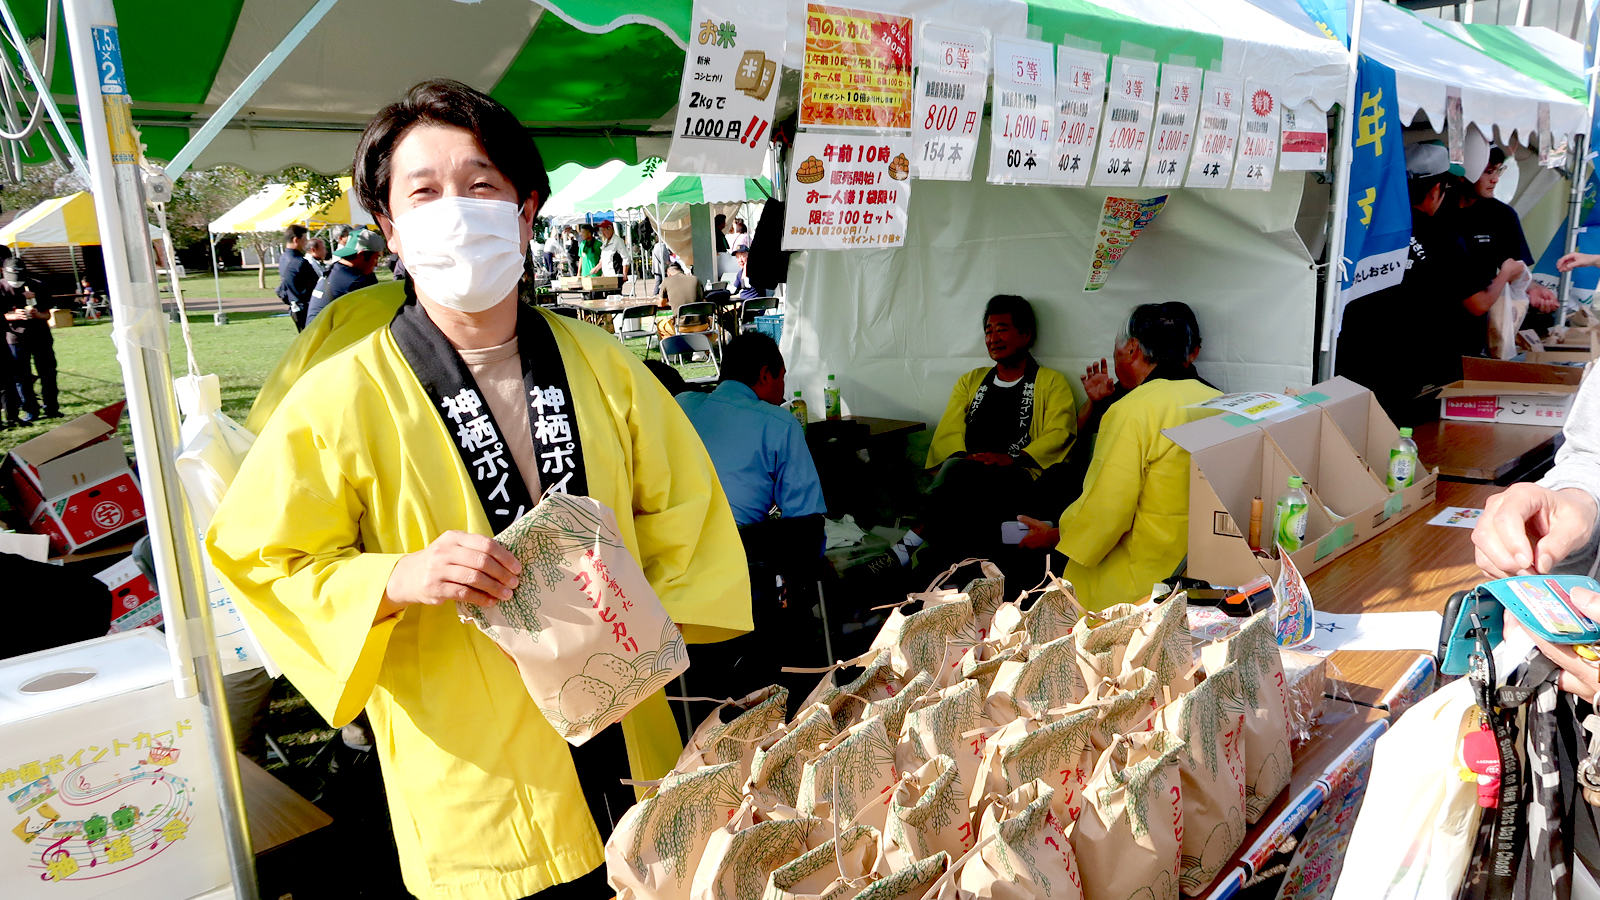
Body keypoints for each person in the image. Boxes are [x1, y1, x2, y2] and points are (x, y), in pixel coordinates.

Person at [207, 79, 750, 900]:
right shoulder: (340, 395)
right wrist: (392, 577)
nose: (455, 209)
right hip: (475, 772)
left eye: (481, 184)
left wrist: (645, 619)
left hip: (628, 739)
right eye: (423, 192)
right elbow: (262, 558)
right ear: (389, 226)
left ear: (526, 210)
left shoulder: (606, 367)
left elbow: (687, 516)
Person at [1018, 304, 1222, 611]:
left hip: (1138, 587)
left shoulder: (1134, 410)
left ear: (1132, 348)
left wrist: (1056, 535)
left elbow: (1106, 509)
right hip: (1201, 573)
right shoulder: (1219, 401)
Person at [1337, 142, 1526, 425]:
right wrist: (1505, 273)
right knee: (1387, 432)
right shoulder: (1443, 238)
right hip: (1404, 361)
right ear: (1436, 190)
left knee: (1345, 425)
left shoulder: (1362, 222)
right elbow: (1477, 304)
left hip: (1351, 351)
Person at [923, 295, 1076, 568]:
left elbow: (1060, 431)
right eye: (988, 331)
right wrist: (964, 459)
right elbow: (949, 429)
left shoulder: (1051, 382)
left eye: (1002, 329)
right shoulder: (971, 381)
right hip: (967, 473)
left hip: (1018, 478)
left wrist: (1013, 459)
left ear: (1026, 334)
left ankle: (913, 541)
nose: (993, 338)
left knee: (956, 481)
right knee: (957, 472)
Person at [678, 332, 826, 527]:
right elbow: (807, 520)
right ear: (765, 376)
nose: (783, 389)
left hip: (663, 545)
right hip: (737, 549)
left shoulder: (680, 404)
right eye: (782, 377)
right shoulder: (780, 423)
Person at [1454, 146, 1558, 323]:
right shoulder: (1436, 209)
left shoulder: (1502, 215)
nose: (1495, 180)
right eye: (1488, 172)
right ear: (1462, 174)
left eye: (1498, 171)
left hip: (1477, 322)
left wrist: (1531, 287)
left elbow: (1514, 268)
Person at [0, 258, 58, 420]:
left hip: (40, 336)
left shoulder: (37, 285)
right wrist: (10, 316)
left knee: (48, 372)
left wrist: (39, 313)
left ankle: (52, 407)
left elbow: (47, 313)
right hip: (15, 338)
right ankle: (30, 410)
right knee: (21, 376)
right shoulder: (1, 288)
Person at [305, 229, 385, 324]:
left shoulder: (337, 269)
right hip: (327, 336)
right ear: (361, 255)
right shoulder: (355, 282)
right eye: (376, 258)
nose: (376, 265)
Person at [275, 223, 319, 332]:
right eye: (304, 239)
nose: (306, 243)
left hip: (294, 306)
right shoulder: (299, 262)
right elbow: (316, 285)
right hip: (306, 307)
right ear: (296, 240)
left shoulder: (284, 258)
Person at [655, 262, 708, 340]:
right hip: (702, 325)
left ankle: (674, 348)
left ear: (668, 273)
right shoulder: (696, 279)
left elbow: (661, 304)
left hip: (681, 326)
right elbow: (704, 300)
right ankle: (703, 347)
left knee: (660, 325)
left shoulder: (667, 281)